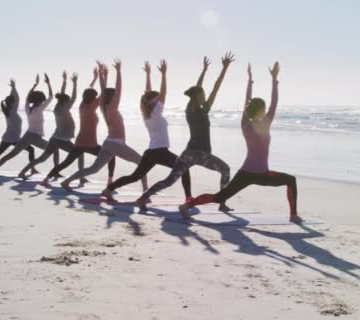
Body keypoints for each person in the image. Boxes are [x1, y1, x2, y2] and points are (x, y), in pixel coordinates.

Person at [179, 62, 302, 224]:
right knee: (219, 197)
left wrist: (264, 80)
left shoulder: (256, 123)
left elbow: (270, 103)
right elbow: (265, 102)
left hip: (256, 173)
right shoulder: (253, 124)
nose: (266, 110)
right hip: (251, 173)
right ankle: (187, 205)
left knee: (290, 180)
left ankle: (293, 215)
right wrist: (260, 82)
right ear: (260, 110)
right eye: (263, 108)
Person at [135, 53, 235, 212]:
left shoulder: (194, 109)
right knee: (225, 170)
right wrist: (224, 68)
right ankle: (222, 203)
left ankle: (143, 197)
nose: (204, 96)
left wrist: (206, 70)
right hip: (201, 154)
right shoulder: (197, 109)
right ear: (197, 96)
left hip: (188, 153)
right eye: (202, 94)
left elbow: (204, 87)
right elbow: (211, 87)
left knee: (169, 180)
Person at [100, 60, 191, 202]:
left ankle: (109, 189)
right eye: (157, 98)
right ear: (153, 102)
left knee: (135, 176)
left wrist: (148, 74)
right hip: (160, 152)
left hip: (151, 152)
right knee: (184, 167)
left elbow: (148, 93)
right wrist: (164, 74)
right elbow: (163, 92)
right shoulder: (155, 113)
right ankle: (188, 198)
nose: (160, 98)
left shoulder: (148, 113)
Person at [59, 60, 147, 192]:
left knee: (94, 169)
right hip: (117, 144)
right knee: (142, 162)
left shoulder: (102, 107)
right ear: (113, 97)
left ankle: (67, 181)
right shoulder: (112, 108)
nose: (117, 96)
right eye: (115, 95)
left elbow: (103, 90)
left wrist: (102, 74)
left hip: (108, 143)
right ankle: (145, 190)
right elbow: (117, 90)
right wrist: (118, 72)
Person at [41, 67, 115, 187]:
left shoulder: (82, 105)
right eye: (95, 96)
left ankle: (46, 179)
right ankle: (110, 181)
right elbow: (103, 91)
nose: (97, 98)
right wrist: (103, 76)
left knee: (66, 163)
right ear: (93, 98)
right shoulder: (92, 107)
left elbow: (91, 91)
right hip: (91, 144)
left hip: (79, 143)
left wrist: (95, 78)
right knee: (111, 156)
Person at [17, 71, 85, 181]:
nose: (70, 102)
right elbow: (74, 97)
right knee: (80, 154)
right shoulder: (65, 108)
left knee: (42, 158)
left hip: (55, 138)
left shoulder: (58, 106)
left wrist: (64, 81)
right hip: (63, 140)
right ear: (65, 101)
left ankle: (22, 172)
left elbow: (63, 95)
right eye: (68, 101)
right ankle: (81, 177)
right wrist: (75, 84)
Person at [0, 74, 57, 174]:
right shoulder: (39, 109)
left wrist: (34, 85)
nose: (43, 101)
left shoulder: (27, 108)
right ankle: (55, 171)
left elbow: (27, 98)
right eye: (42, 100)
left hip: (27, 135)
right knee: (55, 150)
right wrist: (48, 84)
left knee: (12, 154)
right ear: (41, 100)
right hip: (35, 137)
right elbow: (51, 97)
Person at [0, 80, 37, 173]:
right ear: (11, 103)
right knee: (30, 149)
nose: (15, 103)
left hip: (10, 138)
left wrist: (12, 88)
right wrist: (14, 87)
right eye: (13, 102)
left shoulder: (8, 111)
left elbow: (13, 98)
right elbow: (17, 99)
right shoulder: (12, 111)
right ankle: (32, 169)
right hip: (13, 139)